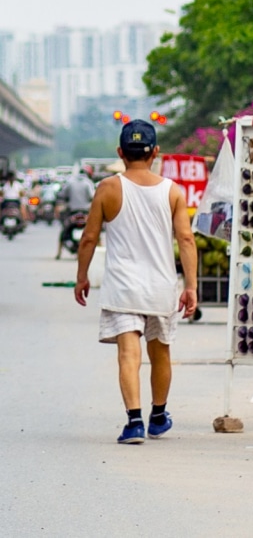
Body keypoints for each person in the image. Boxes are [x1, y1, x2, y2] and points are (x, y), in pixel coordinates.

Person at [74, 120, 198, 445]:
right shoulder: (172, 191)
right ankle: (159, 416)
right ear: (155, 152)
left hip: (123, 287)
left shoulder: (108, 188)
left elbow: (88, 238)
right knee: (161, 353)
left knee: (129, 354)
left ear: (120, 153)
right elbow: (186, 238)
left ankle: (134, 422)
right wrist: (191, 286)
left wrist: (82, 277)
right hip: (161, 286)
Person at [56, 166, 96, 259]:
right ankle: (99, 248)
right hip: (86, 212)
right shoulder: (88, 183)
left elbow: (62, 194)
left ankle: (59, 253)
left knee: (64, 231)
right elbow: (92, 196)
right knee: (95, 231)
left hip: (72, 212)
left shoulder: (70, 182)